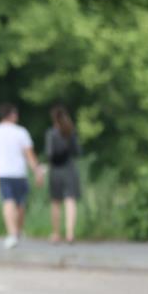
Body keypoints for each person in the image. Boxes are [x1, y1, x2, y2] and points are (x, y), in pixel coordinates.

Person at [0, 103, 44, 249]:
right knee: (20, 204)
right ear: (12, 115)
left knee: (8, 202)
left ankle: (12, 234)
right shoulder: (21, 132)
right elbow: (30, 155)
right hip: (19, 173)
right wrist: (37, 171)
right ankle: (16, 232)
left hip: (4, 173)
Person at [45, 104, 82, 243]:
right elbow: (78, 152)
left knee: (56, 202)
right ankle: (70, 234)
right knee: (70, 201)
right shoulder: (71, 132)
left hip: (56, 170)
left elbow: (50, 154)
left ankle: (56, 234)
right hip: (69, 169)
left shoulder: (51, 133)